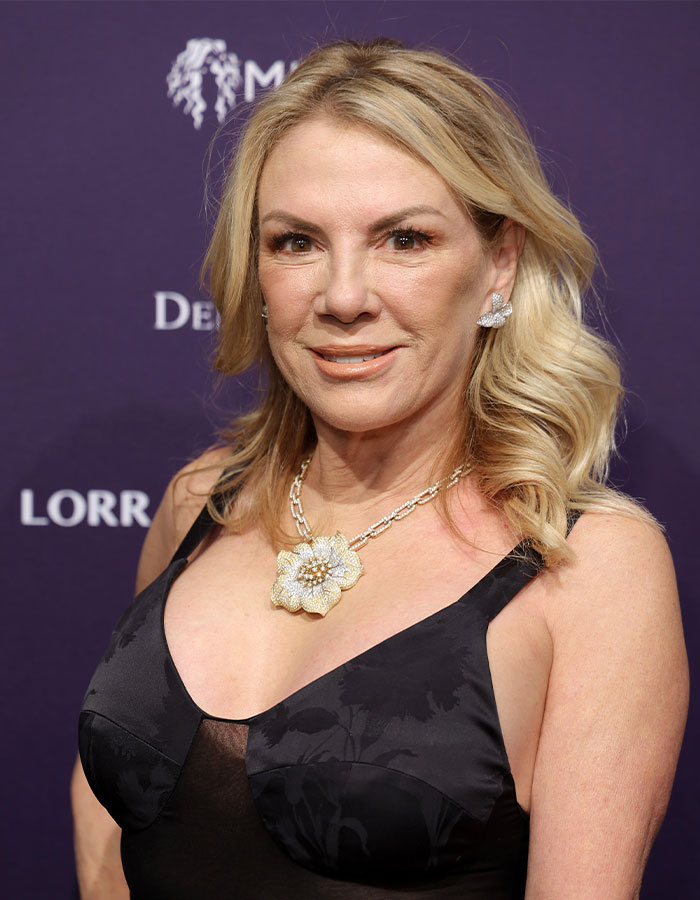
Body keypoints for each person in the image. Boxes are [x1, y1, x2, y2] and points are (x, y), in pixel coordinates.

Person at [71, 38, 688, 899]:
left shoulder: (586, 570)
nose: (345, 295)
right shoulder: (201, 504)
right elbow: (109, 810)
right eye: (296, 242)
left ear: (499, 264)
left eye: (404, 238)